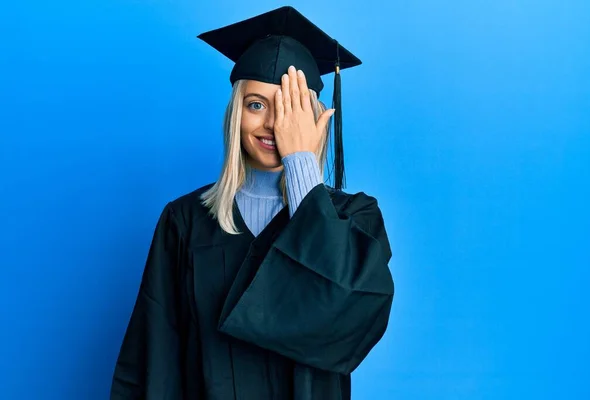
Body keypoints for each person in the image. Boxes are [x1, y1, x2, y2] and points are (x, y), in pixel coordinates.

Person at [110, 6, 394, 400]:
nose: (273, 125)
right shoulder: (185, 221)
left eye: (291, 110)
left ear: (314, 120)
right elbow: (155, 355)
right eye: (256, 105)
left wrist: (301, 167)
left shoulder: (355, 219)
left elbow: (350, 322)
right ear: (235, 114)